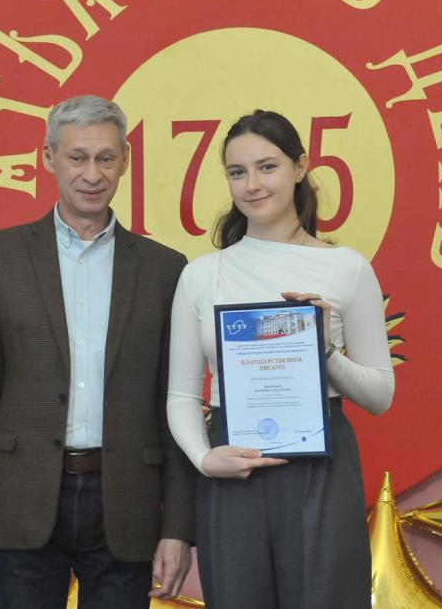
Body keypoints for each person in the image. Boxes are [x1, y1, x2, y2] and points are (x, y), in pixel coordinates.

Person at [0, 95, 195, 609]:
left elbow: (174, 405)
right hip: (24, 500)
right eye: (77, 157)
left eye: (106, 158)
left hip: (126, 502)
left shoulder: (165, 269)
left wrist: (178, 529)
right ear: (48, 157)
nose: (92, 174)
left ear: (125, 160)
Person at [167, 109, 395, 608]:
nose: (252, 185)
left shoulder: (346, 268)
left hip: (322, 465)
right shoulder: (201, 275)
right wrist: (205, 459)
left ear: (300, 167)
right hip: (232, 464)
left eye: (267, 167)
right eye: (238, 172)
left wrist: (324, 350)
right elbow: (182, 393)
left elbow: (380, 395)